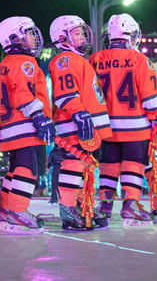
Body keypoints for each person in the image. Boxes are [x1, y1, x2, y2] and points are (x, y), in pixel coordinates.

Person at [89, 13, 157, 227]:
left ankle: (104, 206)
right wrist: (156, 118)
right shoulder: (140, 59)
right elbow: (151, 98)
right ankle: (130, 203)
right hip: (135, 124)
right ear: (131, 35)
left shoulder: (95, 58)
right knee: (133, 163)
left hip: (105, 125)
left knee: (108, 164)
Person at [48, 15, 112, 231]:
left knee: (84, 167)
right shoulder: (65, 59)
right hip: (73, 123)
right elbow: (65, 94)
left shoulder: (77, 59)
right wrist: (80, 114)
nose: (82, 36)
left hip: (85, 124)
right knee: (73, 164)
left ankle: (81, 206)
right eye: (76, 33)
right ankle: (67, 209)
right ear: (62, 37)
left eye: (82, 32)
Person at [0, 16, 54, 234]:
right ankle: (18, 213)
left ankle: (6, 211)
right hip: (25, 124)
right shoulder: (25, 62)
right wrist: (39, 116)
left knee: (14, 171)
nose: (32, 38)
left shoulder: (4, 64)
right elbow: (22, 92)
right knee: (28, 169)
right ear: (14, 38)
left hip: (9, 127)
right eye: (27, 33)